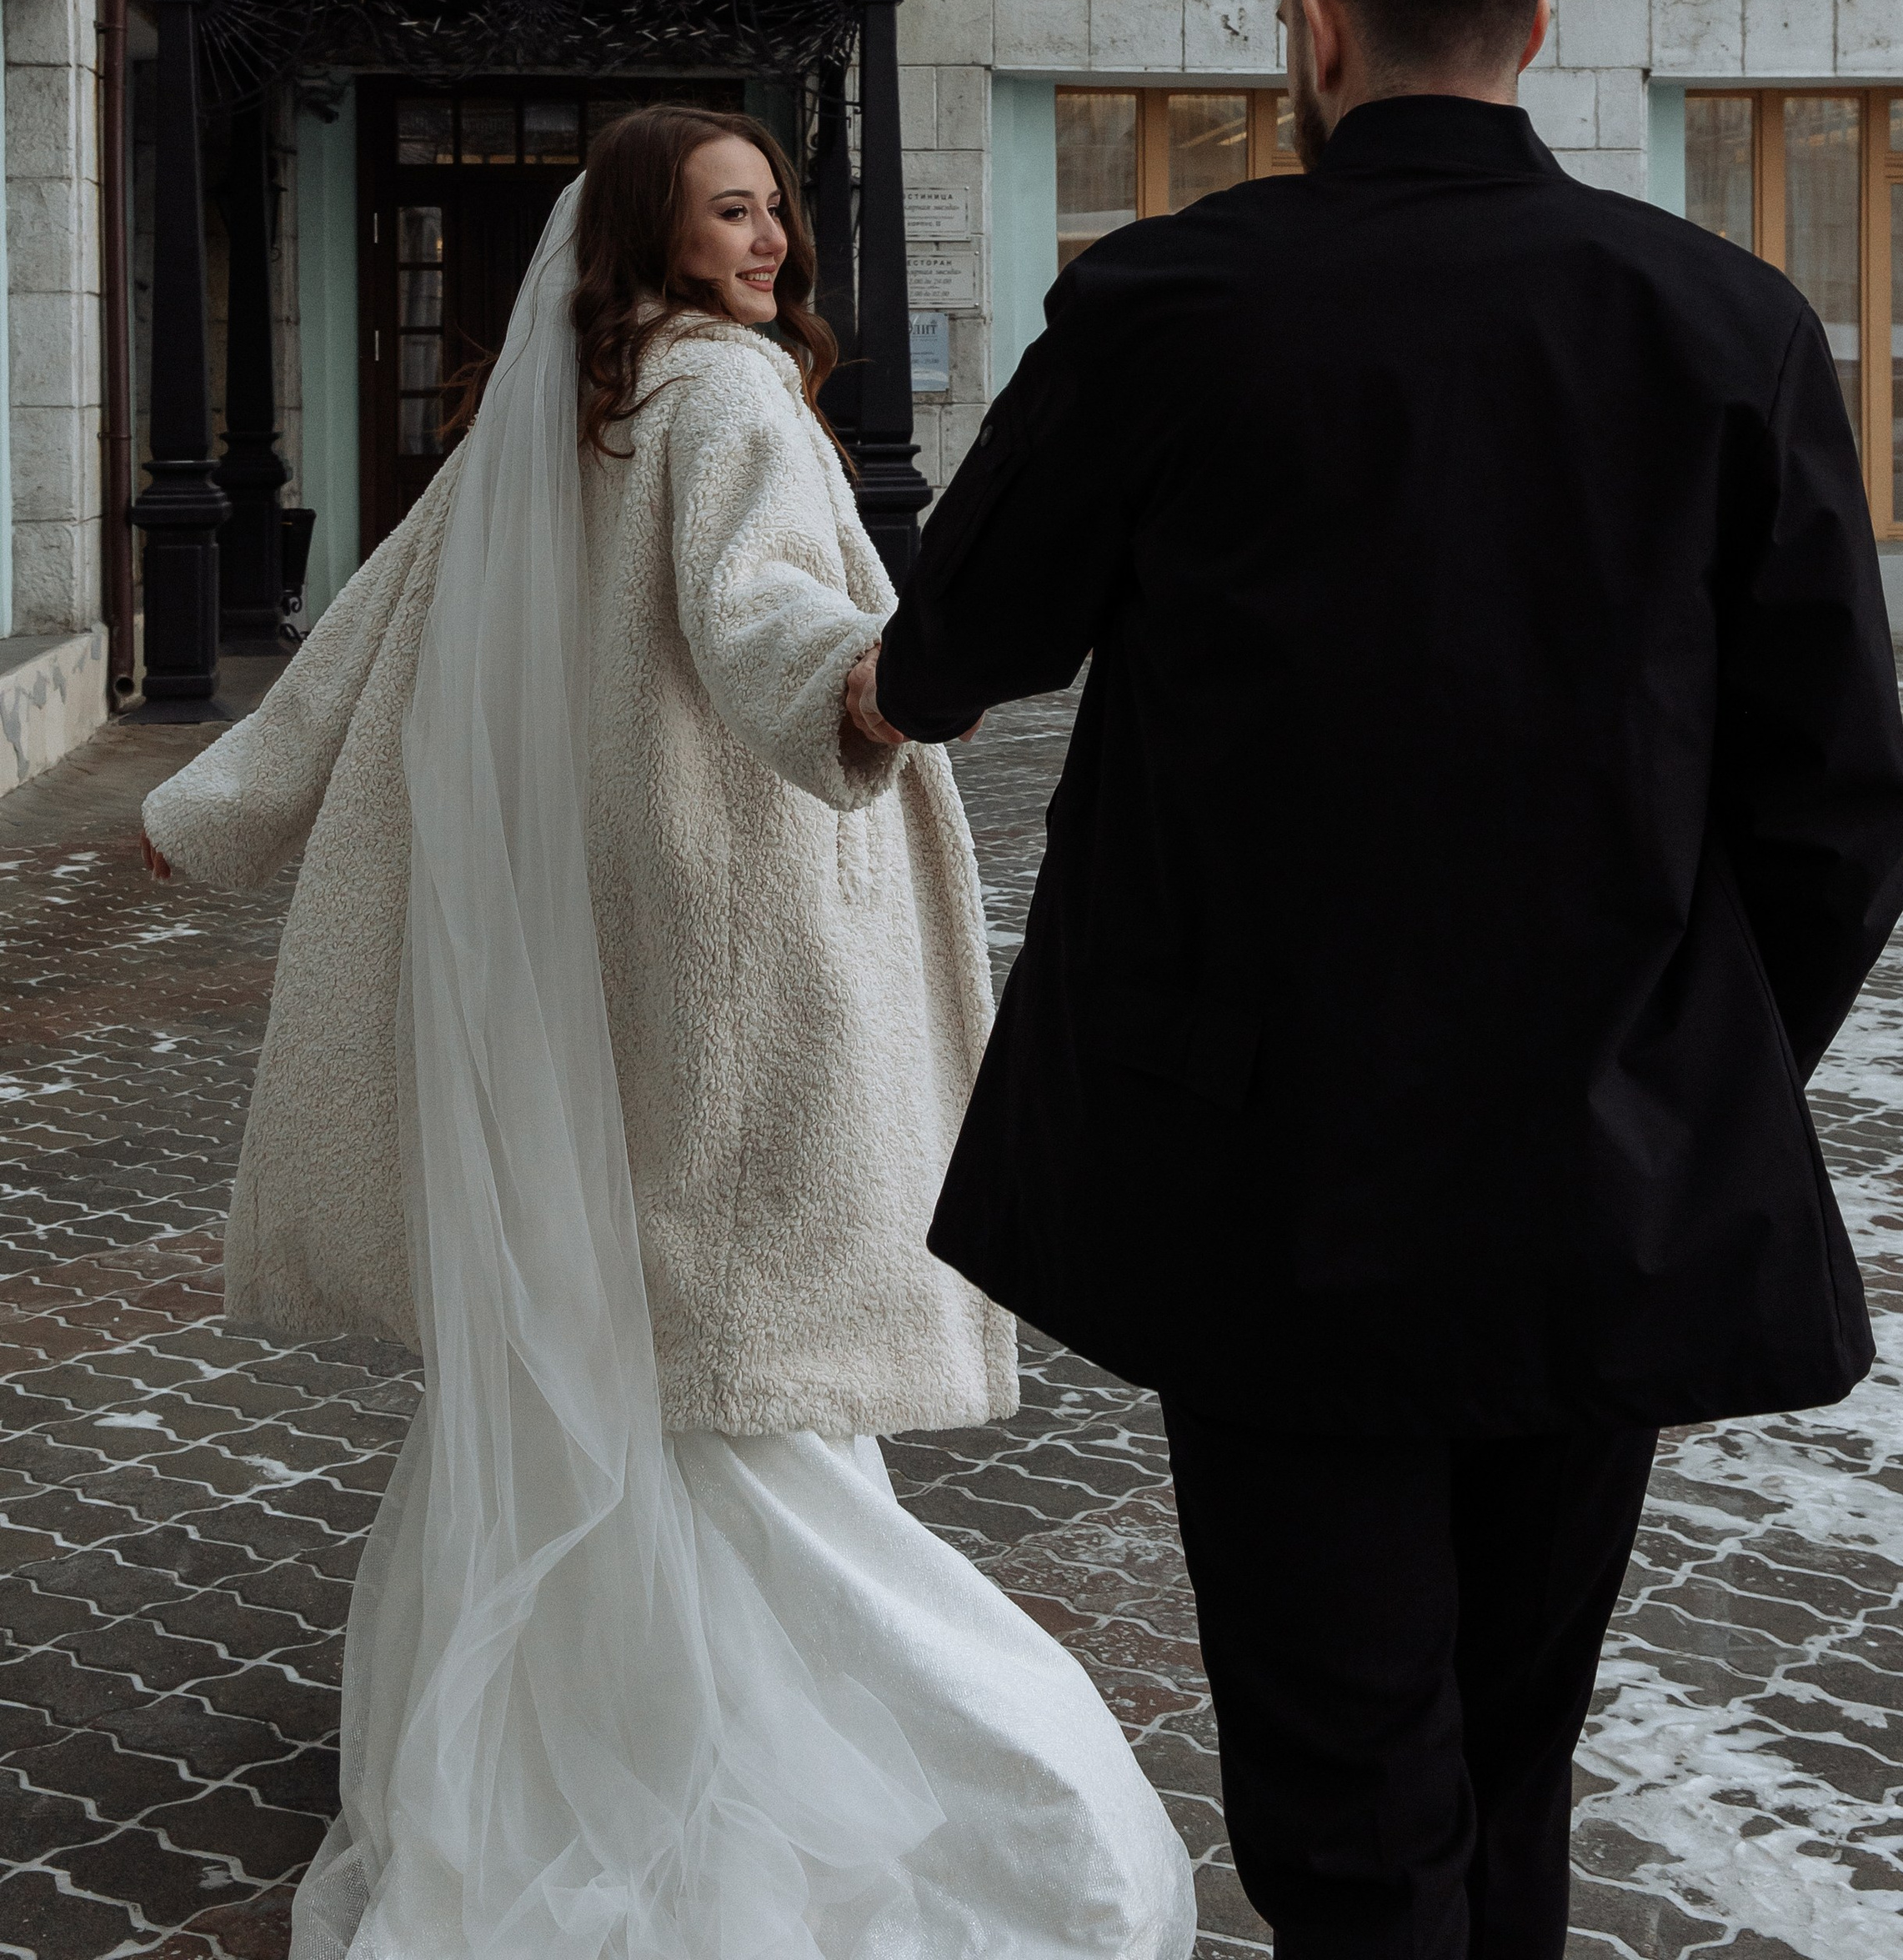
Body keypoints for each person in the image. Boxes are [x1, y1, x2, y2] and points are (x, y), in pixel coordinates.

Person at [852, 0, 1903, 1960]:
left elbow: (960, 644)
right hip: (1593, 1170)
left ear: (1311, 31)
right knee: (1508, 1752)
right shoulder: (1725, 317)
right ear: (1532, 23)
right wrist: (1675, 1063)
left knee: (1346, 1784)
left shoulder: (1170, 299)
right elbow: (1831, 813)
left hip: (1268, 1167)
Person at [142, 106, 1194, 1960]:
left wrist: (216, 809)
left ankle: (547, 1759)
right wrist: (862, 692)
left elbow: (357, 643)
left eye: (775, 207)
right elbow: (757, 610)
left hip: (574, 963)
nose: (770, 239)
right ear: (652, 230)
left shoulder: (545, 414)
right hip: (717, 953)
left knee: (599, 1360)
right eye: (730, 211)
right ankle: (936, 1789)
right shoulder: (721, 400)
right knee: (732, 1387)